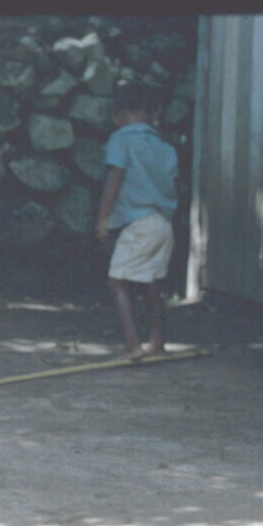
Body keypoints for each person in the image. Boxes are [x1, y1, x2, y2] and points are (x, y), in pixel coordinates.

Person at [95, 83, 179, 360]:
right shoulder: (165, 147)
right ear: (154, 114)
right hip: (163, 224)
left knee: (118, 281)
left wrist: (103, 219)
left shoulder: (121, 140)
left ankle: (132, 346)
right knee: (152, 284)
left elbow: (115, 177)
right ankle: (157, 343)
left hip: (140, 224)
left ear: (119, 115)